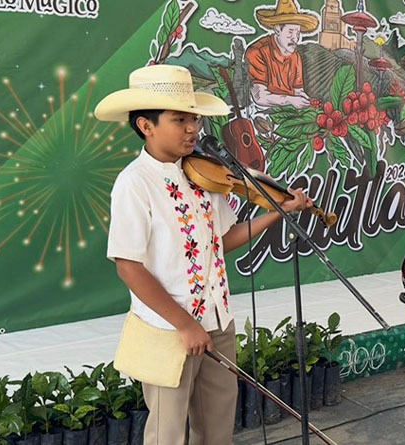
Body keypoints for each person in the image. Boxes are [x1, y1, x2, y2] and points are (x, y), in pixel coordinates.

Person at [94, 64, 312, 444]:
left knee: (216, 429)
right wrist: (184, 324)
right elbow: (129, 266)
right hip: (168, 329)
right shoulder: (134, 183)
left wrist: (277, 212)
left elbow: (221, 239)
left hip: (217, 319)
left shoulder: (201, 174)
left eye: (194, 119)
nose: (192, 129)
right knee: (167, 434)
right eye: (179, 120)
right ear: (146, 125)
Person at [247, 0, 320, 109]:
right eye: (290, 32)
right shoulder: (257, 52)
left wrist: (307, 101)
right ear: (277, 29)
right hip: (261, 111)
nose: (295, 38)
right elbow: (260, 97)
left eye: (297, 33)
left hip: (288, 109)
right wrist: (290, 100)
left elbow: (298, 91)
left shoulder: (295, 56)